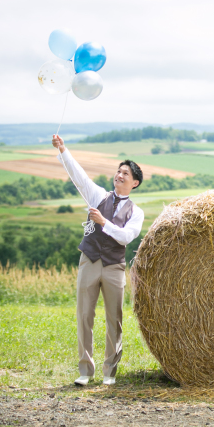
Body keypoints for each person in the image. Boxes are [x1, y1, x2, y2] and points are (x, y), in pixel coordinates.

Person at [52, 134, 145, 387]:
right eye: (118, 171)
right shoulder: (98, 196)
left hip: (114, 267)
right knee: (84, 315)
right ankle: (85, 370)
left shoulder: (137, 212)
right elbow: (79, 177)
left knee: (114, 318)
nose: (120, 175)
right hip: (89, 261)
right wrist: (63, 150)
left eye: (125, 173)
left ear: (134, 182)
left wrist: (104, 223)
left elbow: (126, 237)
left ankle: (109, 373)